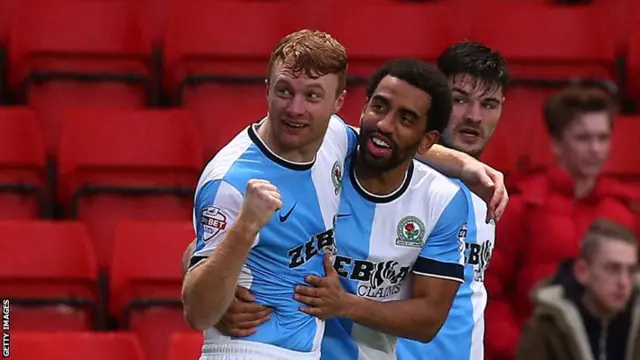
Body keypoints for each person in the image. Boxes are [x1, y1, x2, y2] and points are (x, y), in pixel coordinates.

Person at [182, 30, 507, 360]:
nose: (296, 109)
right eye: (285, 91)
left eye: (312, 96)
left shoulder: (337, 141)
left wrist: (465, 165)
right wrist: (215, 289)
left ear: (337, 103)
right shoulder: (238, 176)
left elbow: (430, 317)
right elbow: (203, 258)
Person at [293, 58, 468, 359]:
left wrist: (344, 304)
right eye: (380, 107)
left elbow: (429, 319)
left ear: (427, 141)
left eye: (406, 119)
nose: (385, 125)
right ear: (363, 107)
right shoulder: (320, 158)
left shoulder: (441, 200)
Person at [485, 85, 640, 360]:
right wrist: (520, 350)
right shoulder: (522, 206)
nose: (595, 149)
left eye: (602, 138)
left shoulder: (627, 209)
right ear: (556, 143)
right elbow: (490, 289)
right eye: (583, 138)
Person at [397, 41, 509, 360]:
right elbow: (363, 134)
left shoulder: (489, 189)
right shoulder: (397, 176)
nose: (474, 116)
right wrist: (462, 163)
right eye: (460, 100)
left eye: (488, 104)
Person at [516, 218, 640, 360]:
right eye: (612, 269)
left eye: (631, 271)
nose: (624, 282)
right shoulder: (548, 327)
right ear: (582, 271)